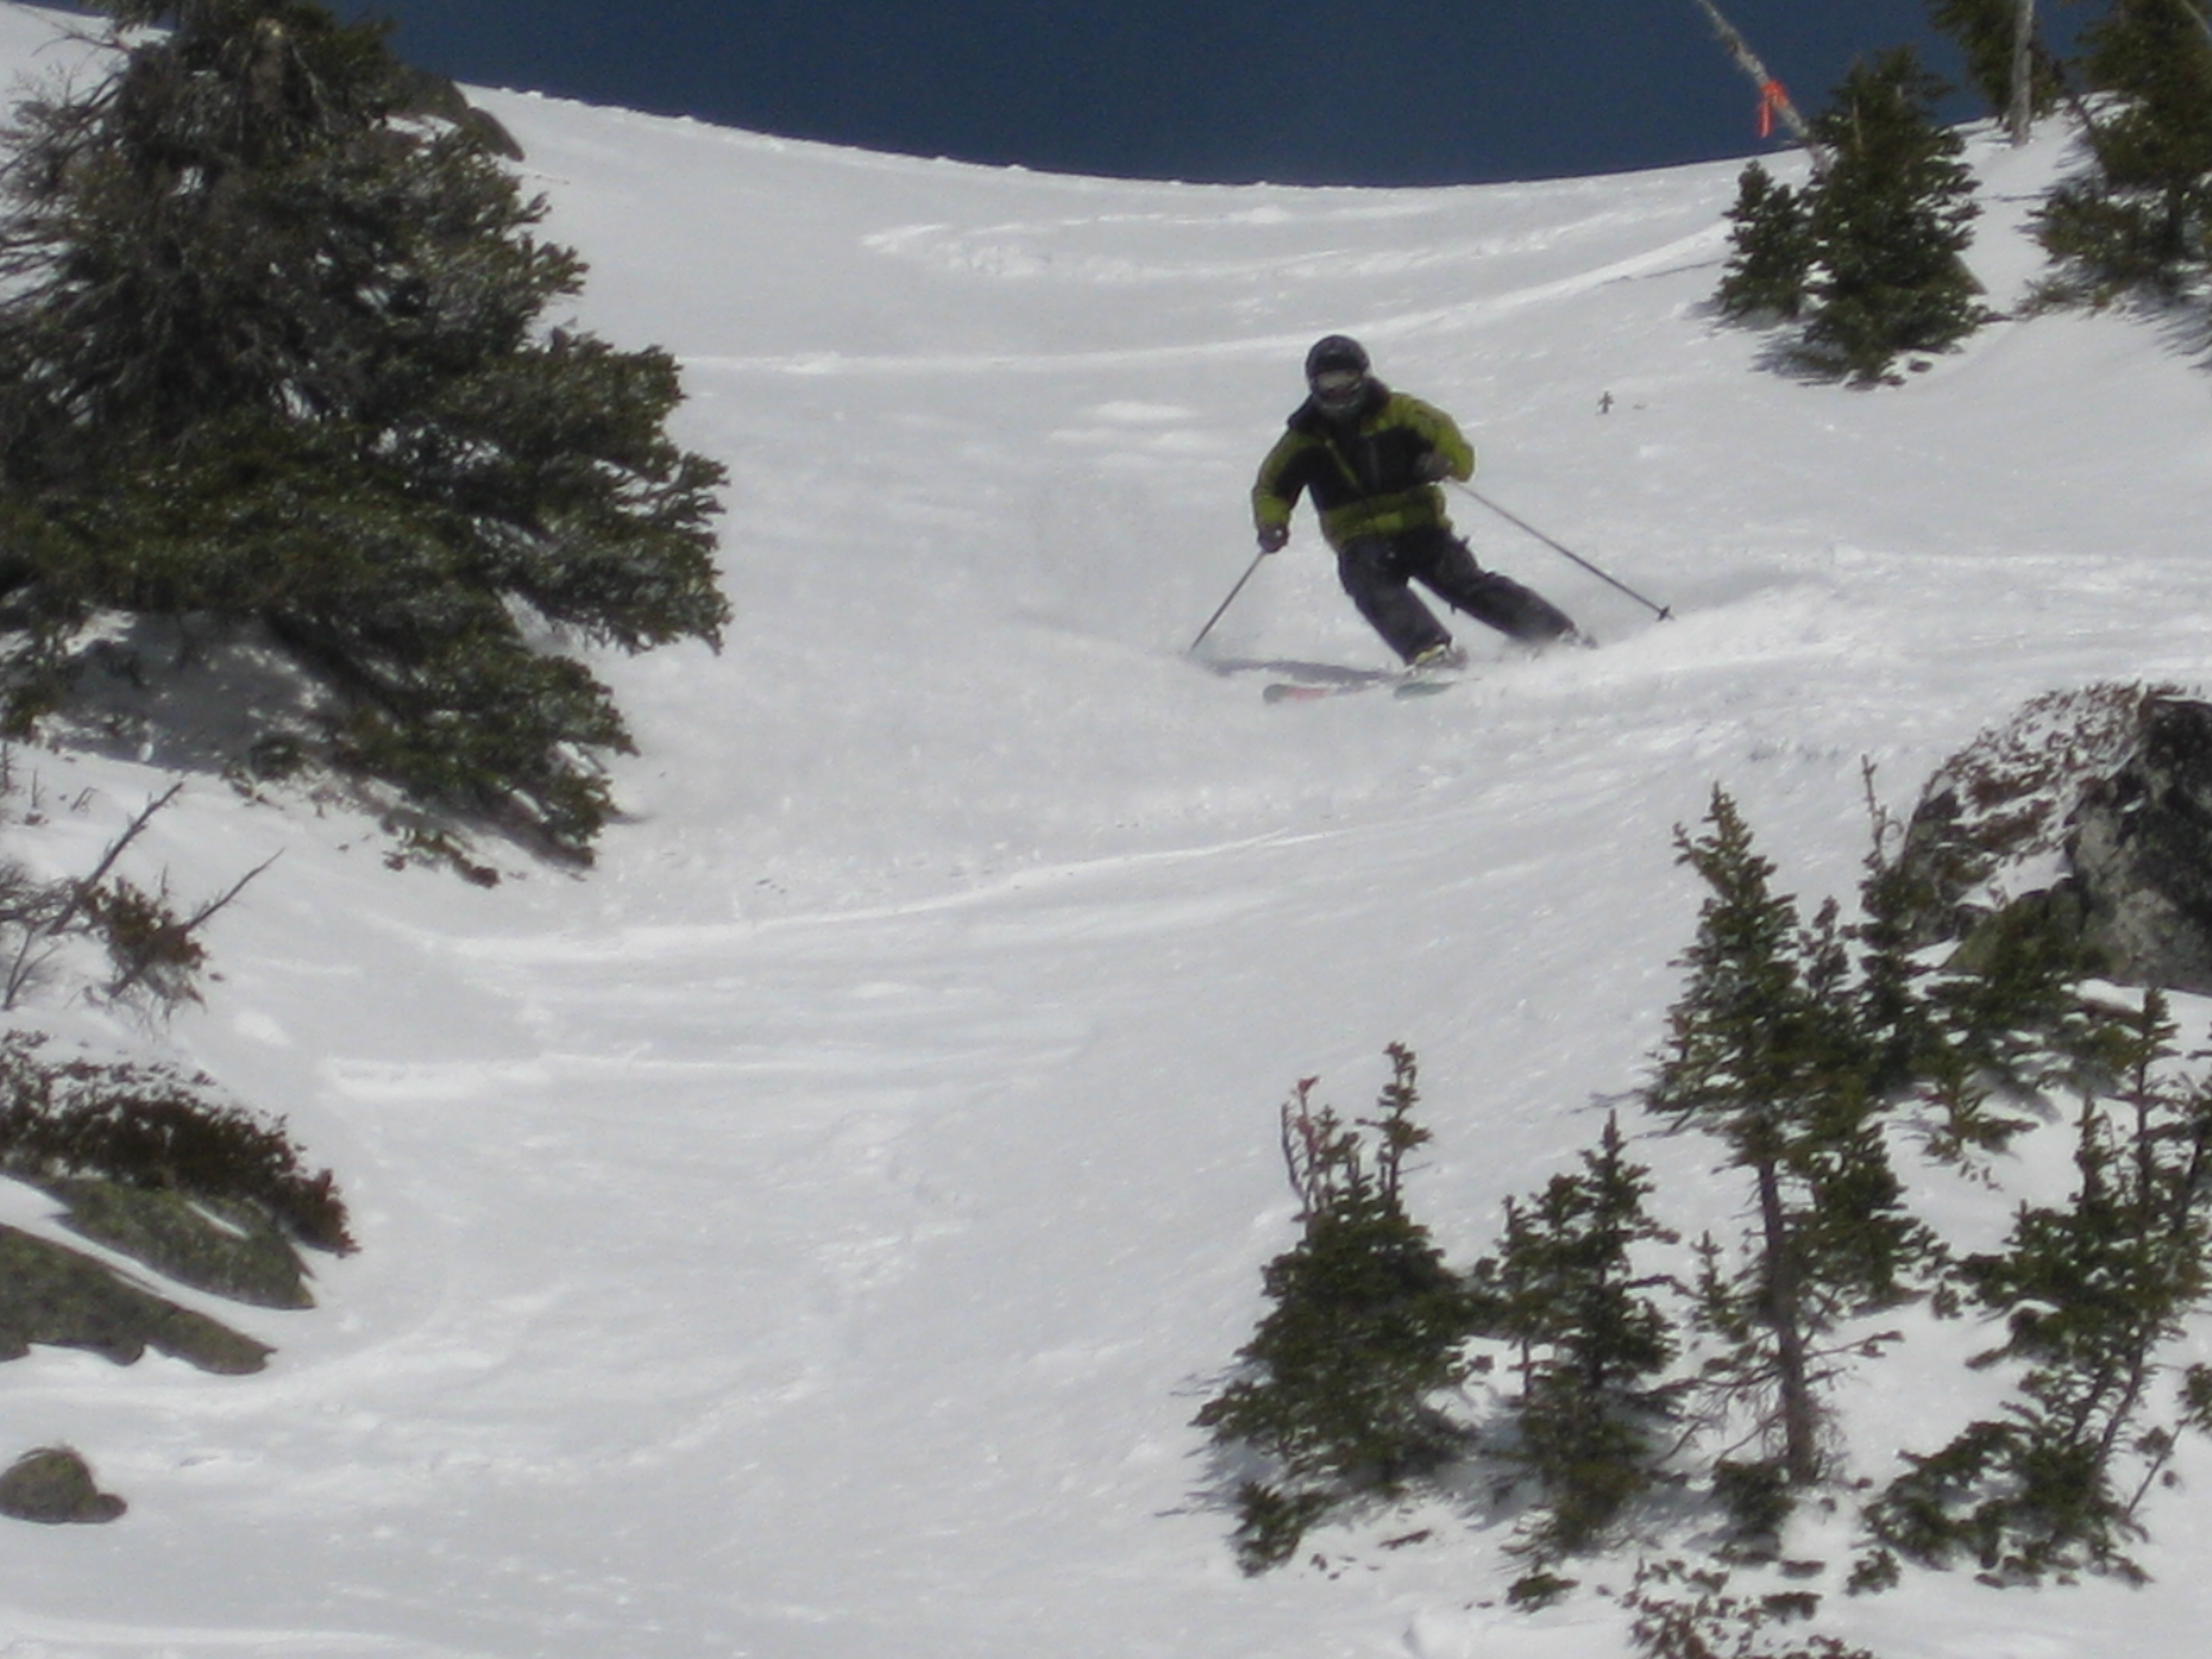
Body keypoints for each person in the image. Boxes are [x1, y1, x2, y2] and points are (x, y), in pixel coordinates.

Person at [1251, 335, 1580, 671]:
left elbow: (1453, 445)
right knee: (1369, 585)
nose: (1338, 392)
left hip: (1420, 524)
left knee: (1462, 581)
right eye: (1328, 382)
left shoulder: (1402, 413)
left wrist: (1444, 463)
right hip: (1358, 537)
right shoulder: (1304, 439)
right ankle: (1430, 651)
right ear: (1313, 385)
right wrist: (1272, 523)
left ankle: (1553, 633)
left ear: (1363, 377)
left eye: (1345, 380)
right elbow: (1271, 488)